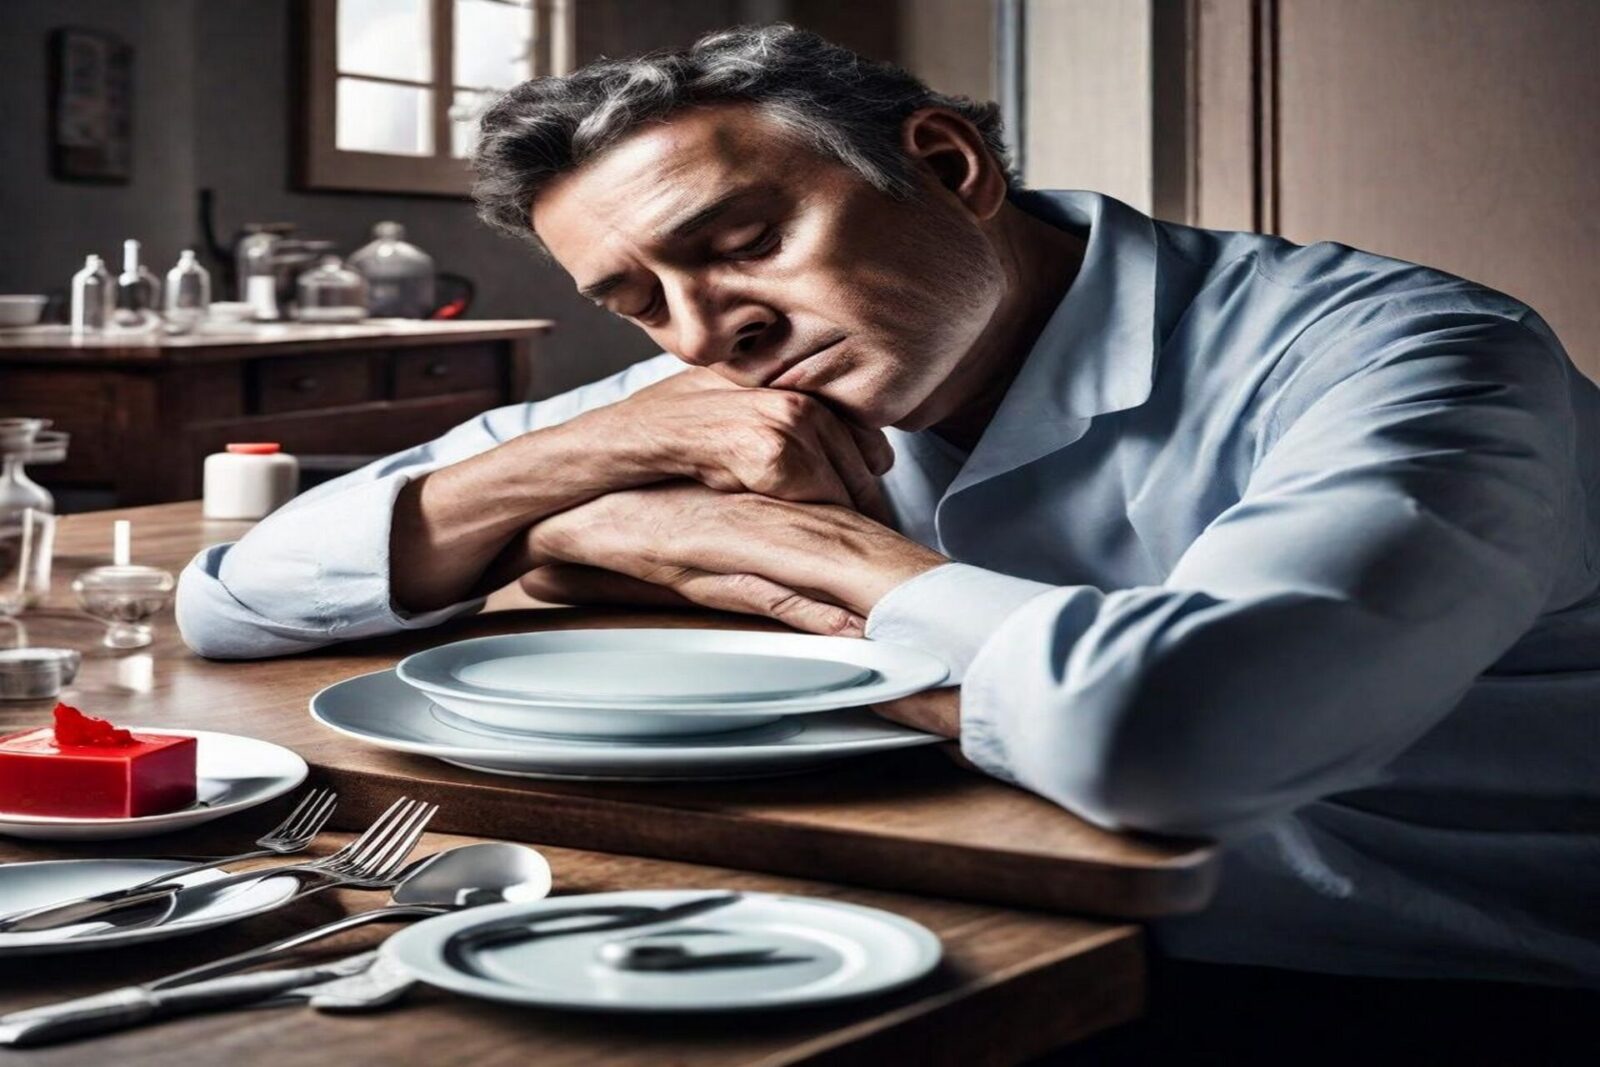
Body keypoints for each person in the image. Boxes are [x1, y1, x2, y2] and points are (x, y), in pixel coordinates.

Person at [177, 25, 1600, 989]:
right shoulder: (728, 373)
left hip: (1406, 979)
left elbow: (1179, 740)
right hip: (946, 920)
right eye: (635, 303)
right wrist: (573, 474)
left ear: (947, 166)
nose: (700, 336)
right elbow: (232, 599)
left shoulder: (1413, 356)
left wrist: (785, 549)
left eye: (741, 246)